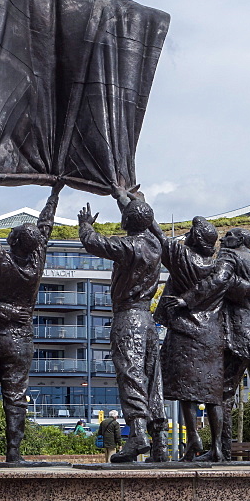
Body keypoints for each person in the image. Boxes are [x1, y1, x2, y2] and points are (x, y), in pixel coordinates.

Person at [153, 217, 250, 462]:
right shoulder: (221, 267)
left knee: (186, 391)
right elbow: (246, 288)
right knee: (213, 394)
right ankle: (216, 446)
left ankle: (194, 437)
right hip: (212, 337)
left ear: (193, 239)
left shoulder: (181, 258)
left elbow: (156, 232)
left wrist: (131, 200)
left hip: (185, 332)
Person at [0, 173, 63, 463]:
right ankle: (14, 451)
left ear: (11, 239)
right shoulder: (36, 264)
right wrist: (54, 194)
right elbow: (45, 227)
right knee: (16, 396)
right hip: (21, 338)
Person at [181, 227, 250, 462]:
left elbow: (218, 282)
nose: (223, 239)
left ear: (240, 240)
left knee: (223, 394)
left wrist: (188, 300)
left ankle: (220, 452)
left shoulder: (228, 257)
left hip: (236, 337)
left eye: (229, 235)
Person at [78, 186, 168, 462]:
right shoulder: (155, 244)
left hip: (128, 317)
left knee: (130, 376)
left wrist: (84, 226)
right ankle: (160, 442)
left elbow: (95, 243)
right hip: (147, 320)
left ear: (127, 222)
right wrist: (125, 199)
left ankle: (138, 435)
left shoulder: (129, 246)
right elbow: (143, 220)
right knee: (152, 379)